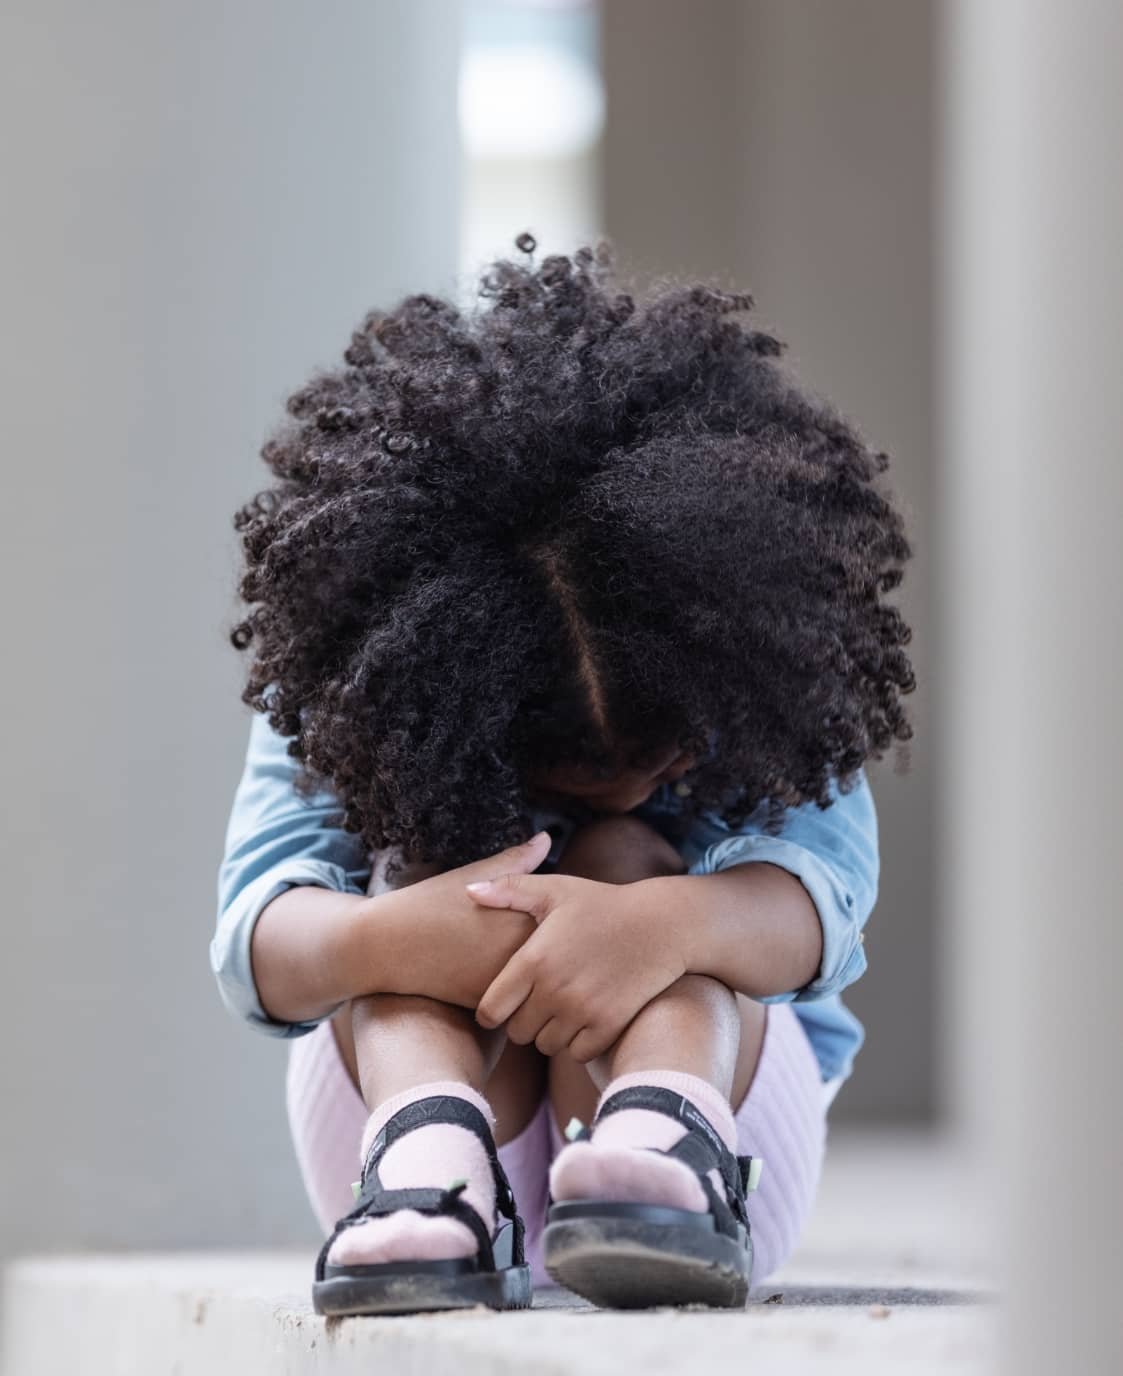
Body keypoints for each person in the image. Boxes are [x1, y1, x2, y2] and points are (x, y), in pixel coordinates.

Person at [213, 235, 914, 1315]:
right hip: (397, 1134)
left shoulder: (774, 691)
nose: (628, 782)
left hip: (719, 1147)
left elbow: (822, 912)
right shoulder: (356, 696)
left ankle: (663, 1134)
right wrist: (395, 937)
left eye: (666, 751)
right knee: (418, 883)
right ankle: (430, 1166)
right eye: (572, 764)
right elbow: (254, 940)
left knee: (630, 858)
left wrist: (660, 926)